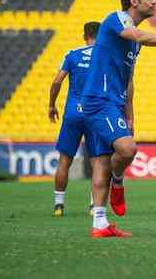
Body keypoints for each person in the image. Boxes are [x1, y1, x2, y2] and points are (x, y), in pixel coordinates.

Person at [82, 0, 156, 238]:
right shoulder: (116, 19)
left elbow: (129, 79)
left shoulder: (133, 41)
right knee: (128, 149)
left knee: (103, 161)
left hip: (115, 102)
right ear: (133, 1)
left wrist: (130, 113)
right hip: (98, 99)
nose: (154, 1)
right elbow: (138, 36)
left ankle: (100, 224)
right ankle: (118, 179)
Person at [48, 21, 100, 217]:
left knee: (65, 160)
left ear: (84, 35)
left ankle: (59, 206)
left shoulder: (72, 54)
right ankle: (94, 206)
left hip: (73, 112)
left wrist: (51, 105)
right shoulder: (104, 55)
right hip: (95, 112)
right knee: (98, 162)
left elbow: (56, 82)